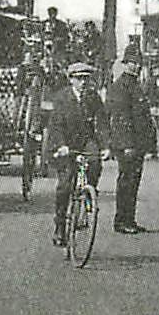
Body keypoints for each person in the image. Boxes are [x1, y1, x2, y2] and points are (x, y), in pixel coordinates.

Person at [47, 60, 105, 247]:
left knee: (95, 161)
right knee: (65, 184)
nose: (83, 83)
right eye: (79, 79)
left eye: (86, 79)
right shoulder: (61, 98)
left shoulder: (93, 97)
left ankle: (89, 192)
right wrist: (61, 145)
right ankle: (60, 226)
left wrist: (105, 146)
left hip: (86, 141)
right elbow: (55, 125)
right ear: (71, 79)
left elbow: (102, 122)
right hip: (65, 143)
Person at [105, 52, 155, 233]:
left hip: (137, 144)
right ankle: (121, 221)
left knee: (133, 182)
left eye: (138, 63)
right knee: (126, 182)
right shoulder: (121, 86)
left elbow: (144, 118)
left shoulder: (135, 85)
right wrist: (126, 144)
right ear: (126, 64)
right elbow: (120, 118)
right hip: (127, 144)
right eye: (132, 63)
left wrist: (149, 144)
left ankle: (129, 219)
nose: (136, 66)